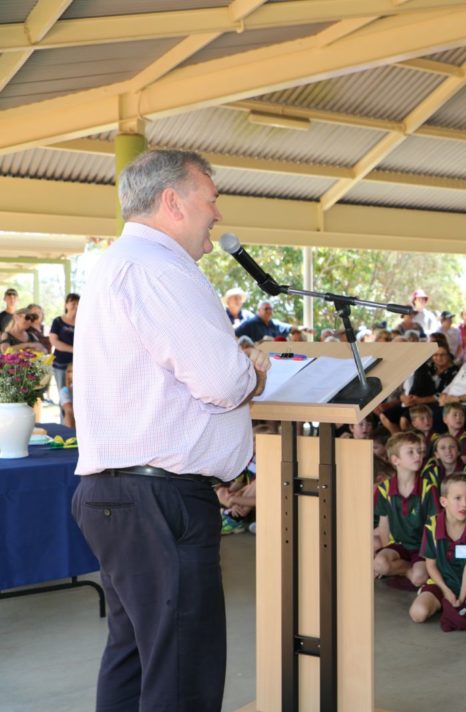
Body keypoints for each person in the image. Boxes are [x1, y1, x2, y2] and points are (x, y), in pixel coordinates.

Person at [71, 149, 269, 711]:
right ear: (172, 202)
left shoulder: (117, 264)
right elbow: (220, 381)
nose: (217, 214)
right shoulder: (161, 269)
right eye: (211, 199)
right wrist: (250, 370)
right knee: (182, 672)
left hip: (125, 493)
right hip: (158, 500)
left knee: (136, 659)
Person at [409, 474, 466, 631]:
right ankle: (454, 609)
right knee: (417, 613)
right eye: (458, 498)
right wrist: (446, 591)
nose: (464, 504)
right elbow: (431, 565)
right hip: (440, 582)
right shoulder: (432, 525)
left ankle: (454, 607)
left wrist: (462, 596)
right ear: (444, 501)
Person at [373, 432, 438, 590]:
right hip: (398, 544)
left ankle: (407, 570)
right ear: (395, 460)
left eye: (419, 451)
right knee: (380, 564)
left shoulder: (429, 489)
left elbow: (435, 525)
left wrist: (431, 557)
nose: (418, 455)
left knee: (419, 577)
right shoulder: (384, 489)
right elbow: (384, 523)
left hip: (421, 547)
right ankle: (408, 570)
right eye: (411, 452)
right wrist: (387, 549)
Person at [49, 292, 78, 390]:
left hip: (78, 364)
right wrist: (73, 349)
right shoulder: (58, 321)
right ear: (66, 305)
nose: (76, 306)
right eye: (73, 303)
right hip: (61, 364)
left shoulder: (82, 322)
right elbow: (54, 341)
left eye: (78, 303)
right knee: (63, 392)